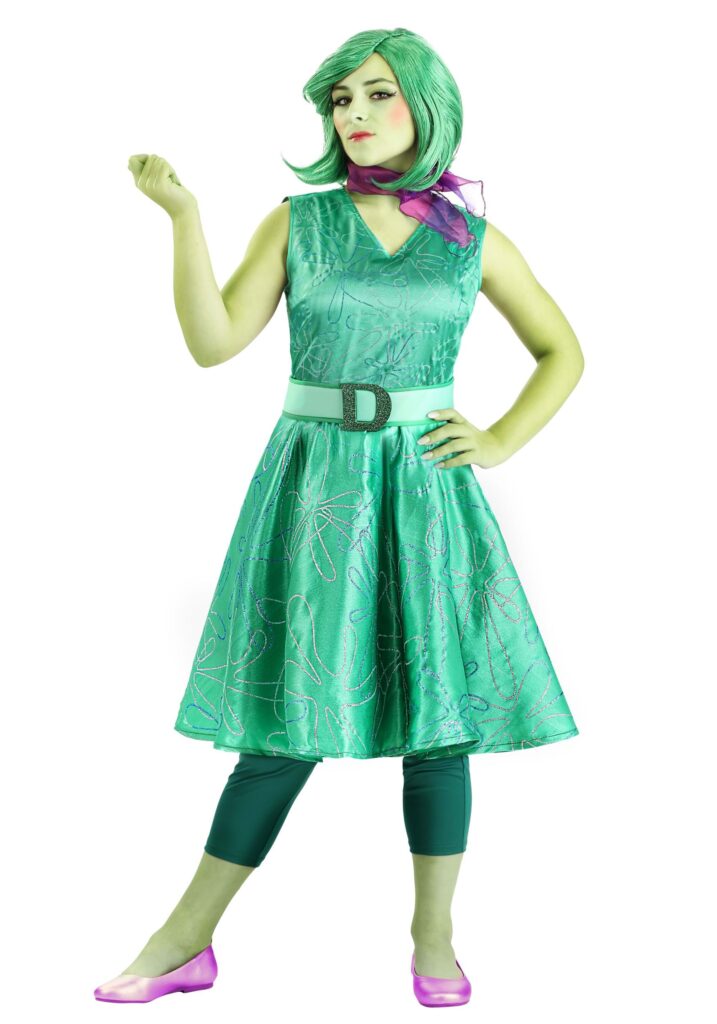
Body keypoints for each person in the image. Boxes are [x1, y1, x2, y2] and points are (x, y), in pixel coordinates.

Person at [96, 27, 583, 1008]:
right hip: (316, 488)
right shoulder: (298, 223)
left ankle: (433, 937)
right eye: (341, 99)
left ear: (425, 106)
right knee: (286, 723)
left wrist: (497, 440)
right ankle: (184, 937)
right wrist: (184, 217)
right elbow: (213, 341)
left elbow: (561, 352)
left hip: (425, 489)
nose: (354, 113)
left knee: (439, 725)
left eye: (377, 94)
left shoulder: (470, 239)